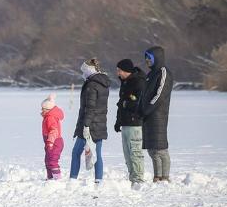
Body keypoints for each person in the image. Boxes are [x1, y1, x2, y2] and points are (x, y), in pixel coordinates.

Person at [69, 58, 110, 186]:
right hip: (100, 124)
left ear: (89, 70)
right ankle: (99, 181)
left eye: (84, 71)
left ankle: (72, 180)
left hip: (89, 125)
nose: (83, 74)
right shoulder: (102, 83)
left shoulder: (91, 85)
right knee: (97, 153)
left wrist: (86, 125)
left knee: (76, 152)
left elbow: (90, 108)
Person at [139, 46, 174, 182]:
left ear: (157, 58)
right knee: (152, 149)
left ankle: (164, 177)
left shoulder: (163, 72)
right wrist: (140, 109)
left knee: (160, 149)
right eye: (146, 57)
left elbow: (159, 95)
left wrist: (147, 109)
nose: (147, 60)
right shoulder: (150, 74)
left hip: (158, 115)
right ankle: (157, 176)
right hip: (148, 116)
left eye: (149, 57)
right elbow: (144, 95)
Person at [114, 59, 146, 188]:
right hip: (126, 123)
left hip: (135, 123)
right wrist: (118, 121)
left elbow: (140, 103)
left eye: (119, 70)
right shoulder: (125, 82)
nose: (117, 73)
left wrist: (126, 103)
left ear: (126, 70)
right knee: (127, 153)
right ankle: (132, 178)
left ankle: (138, 179)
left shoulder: (138, 82)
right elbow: (120, 104)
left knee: (135, 152)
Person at [40, 93, 64, 180]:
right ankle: (50, 177)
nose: (42, 110)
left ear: (48, 109)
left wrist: (50, 142)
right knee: (47, 160)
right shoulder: (47, 117)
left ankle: (57, 179)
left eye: (43, 109)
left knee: (52, 161)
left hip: (55, 142)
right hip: (50, 142)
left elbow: (54, 131)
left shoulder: (50, 118)